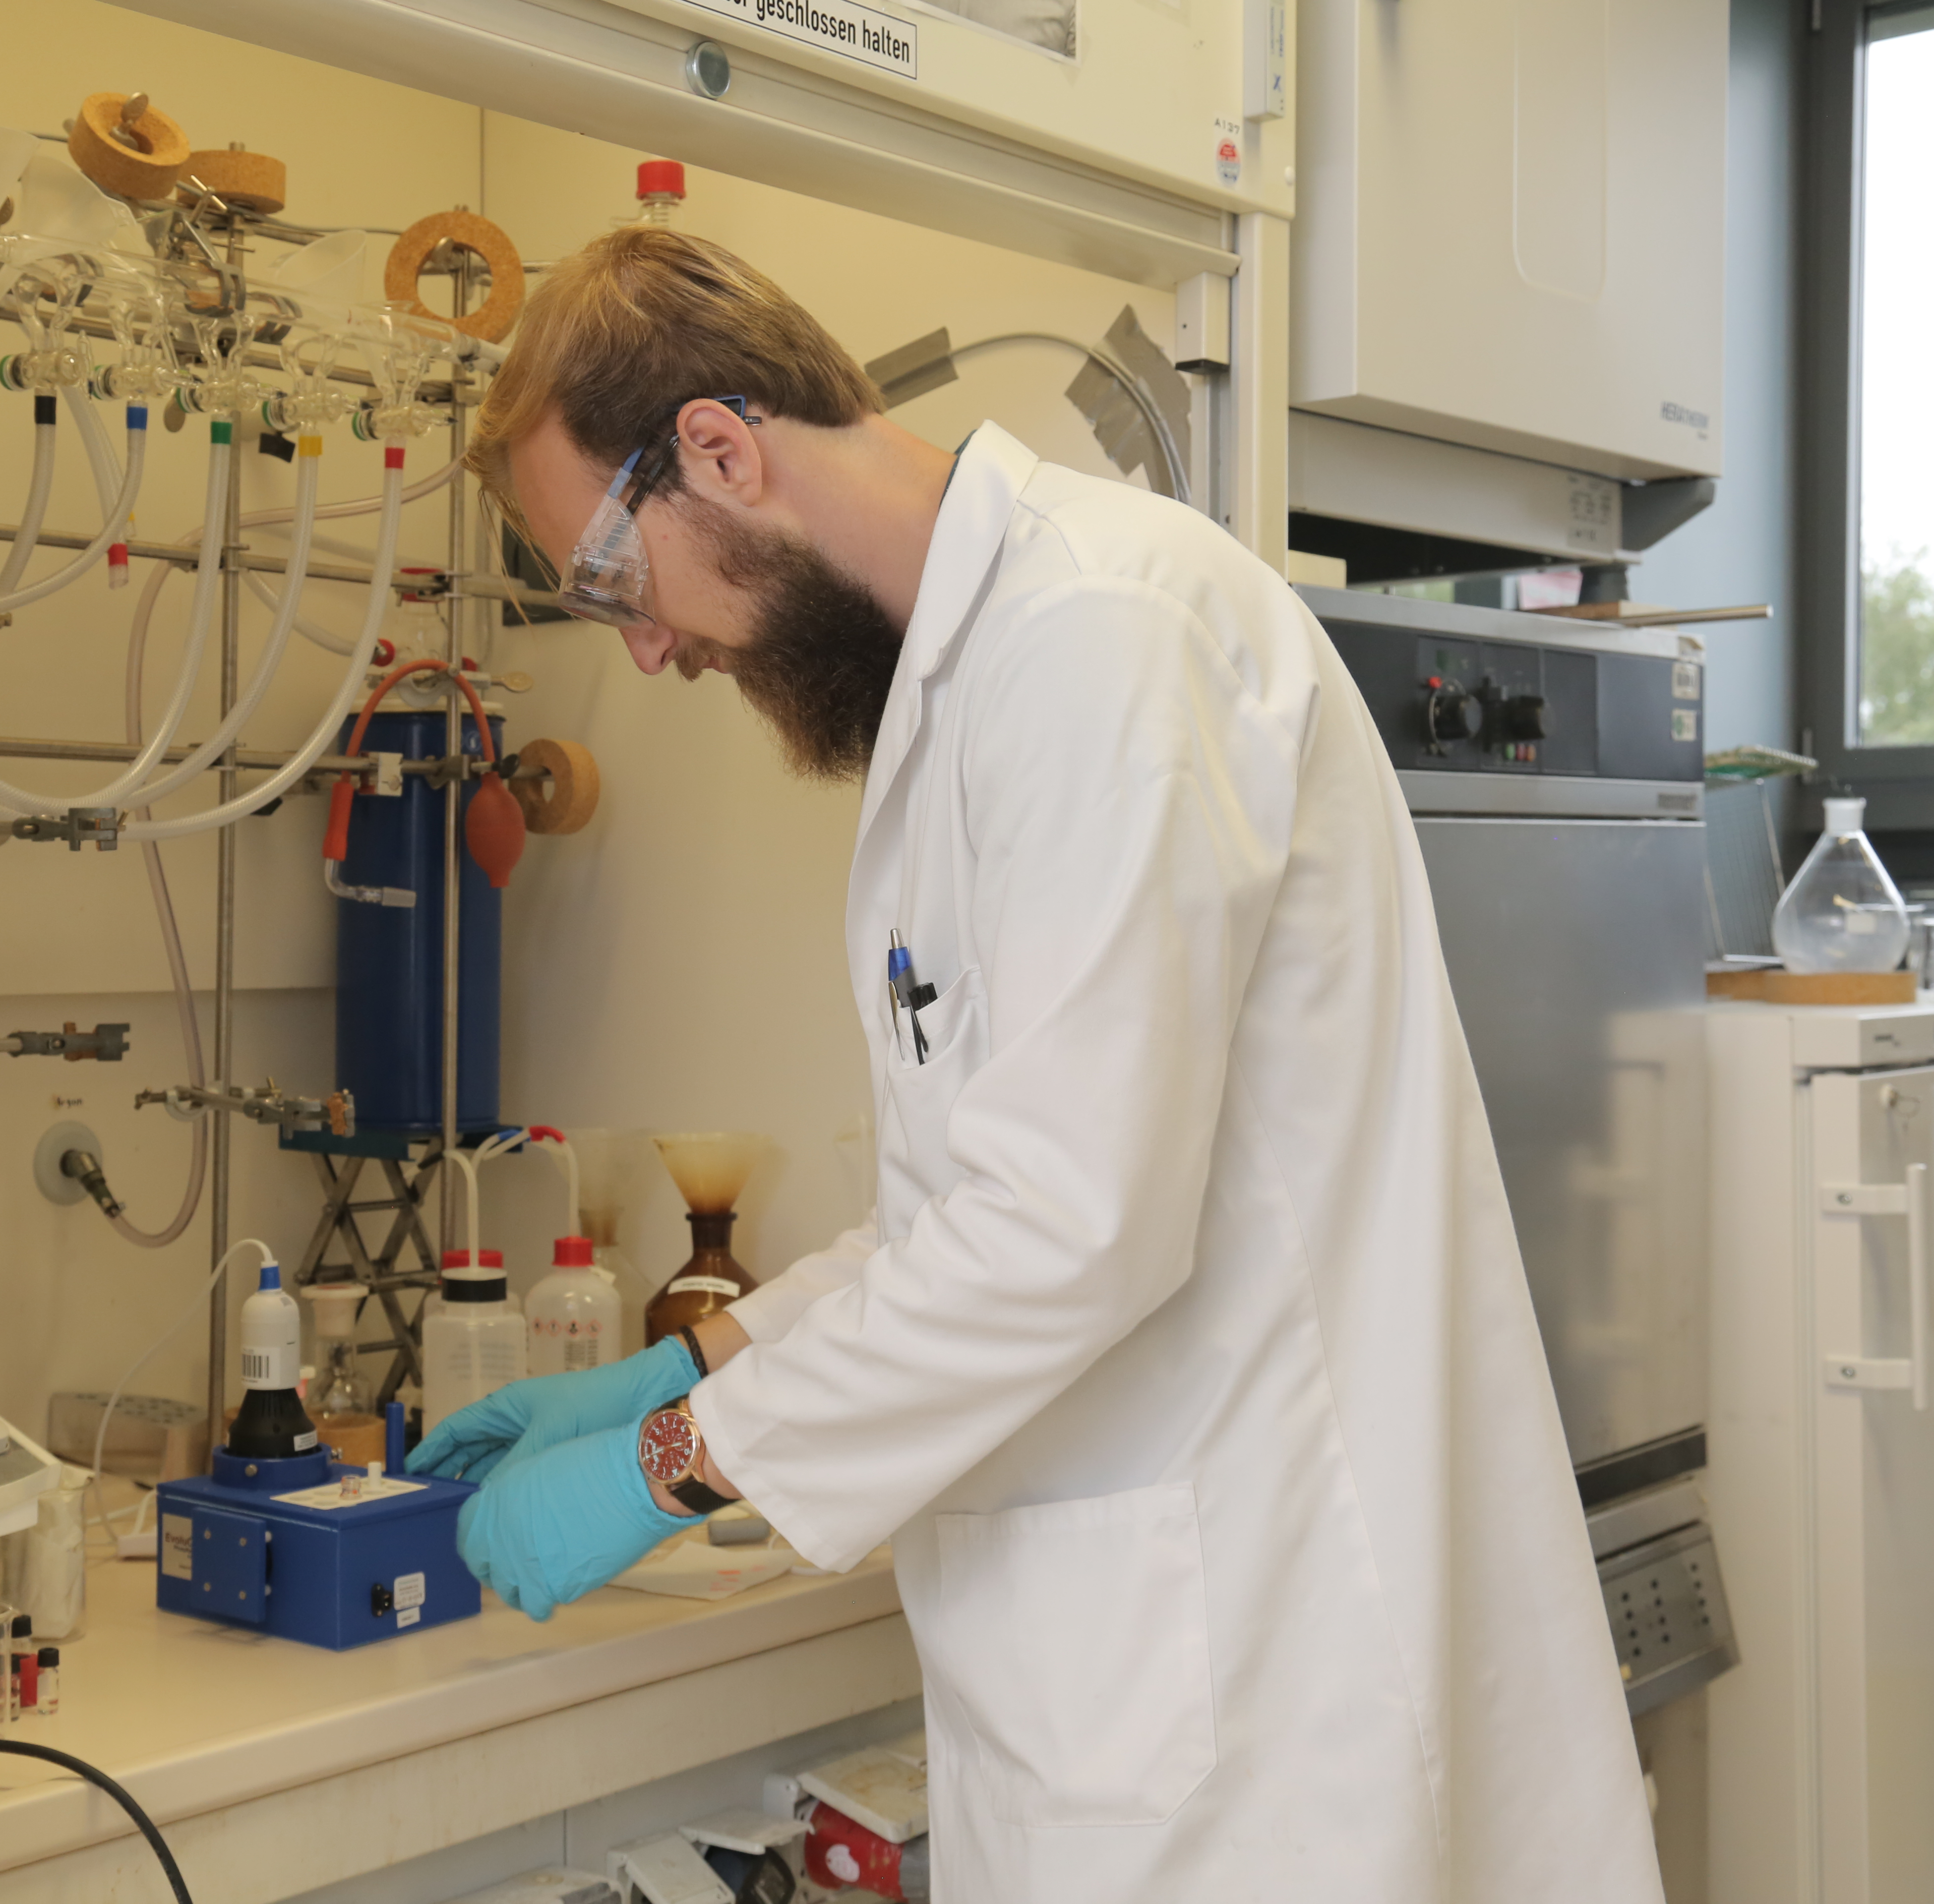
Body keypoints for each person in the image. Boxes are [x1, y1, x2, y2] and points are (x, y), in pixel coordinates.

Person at [412, 228, 1660, 1901]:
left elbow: (1069, 1230)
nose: (644, 649)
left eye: (613, 580)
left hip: (1266, 1696)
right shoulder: (977, 677)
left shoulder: (1101, 638)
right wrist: (688, 1367)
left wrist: (667, 1466)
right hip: (1139, 1676)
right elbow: (972, 1206)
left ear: (719, 451)